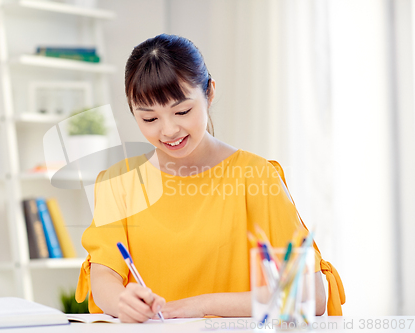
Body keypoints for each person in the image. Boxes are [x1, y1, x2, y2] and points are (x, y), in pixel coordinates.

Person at [75, 34, 345, 323]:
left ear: (210, 93)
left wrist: (198, 306)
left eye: (182, 111)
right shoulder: (119, 183)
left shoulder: (255, 176)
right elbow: (104, 277)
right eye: (149, 119)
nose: (168, 130)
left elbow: (309, 293)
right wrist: (122, 301)